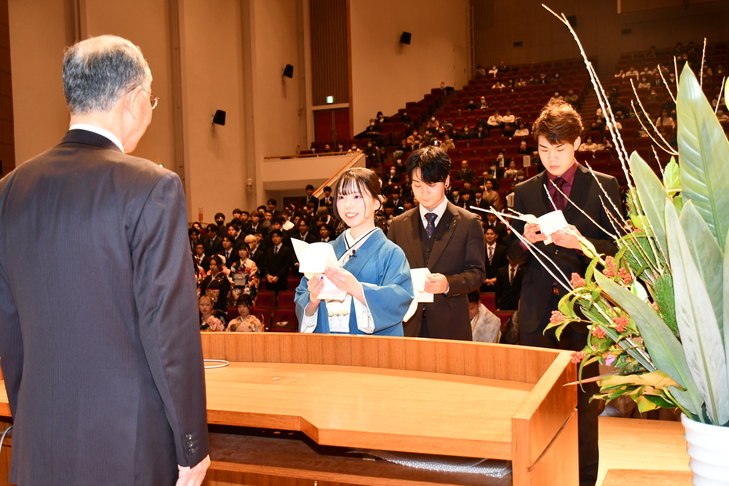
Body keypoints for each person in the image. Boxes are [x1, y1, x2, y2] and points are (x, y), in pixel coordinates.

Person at [0, 35, 209, 485]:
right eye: (151, 100)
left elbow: (10, 327)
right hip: (126, 449)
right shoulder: (152, 187)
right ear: (134, 100)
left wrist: (32, 419)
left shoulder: (9, 190)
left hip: (38, 445)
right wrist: (192, 444)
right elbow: (167, 329)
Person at [509, 99, 622, 486]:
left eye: (559, 149)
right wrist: (523, 241)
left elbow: (620, 251)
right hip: (537, 312)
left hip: (584, 313)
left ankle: (585, 482)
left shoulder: (603, 186)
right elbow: (510, 257)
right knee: (536, 407)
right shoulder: (524, 190)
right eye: (543, 149)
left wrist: (581, 244)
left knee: (585, 409)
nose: (551, 158)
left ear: (577, 143)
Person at [295, 167, 413, 335]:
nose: (348, 205)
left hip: (370, 351)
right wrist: (312, 299)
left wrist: (357, 289)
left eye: (357, 196)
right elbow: (302, 298)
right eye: (342, 197)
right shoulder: (324, 251)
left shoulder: (392, 254)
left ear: (377, 202)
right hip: (327, 347)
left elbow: (399, 301)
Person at [388, 146, 486, 340]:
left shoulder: (469, 222)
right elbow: (390, 274)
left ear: (447, 181)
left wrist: (448, 283)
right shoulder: (398, 225)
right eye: (417, 185)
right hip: (408, 325)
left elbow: (477, 272)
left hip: (451, 325)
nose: (424, 192)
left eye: (431, 184)